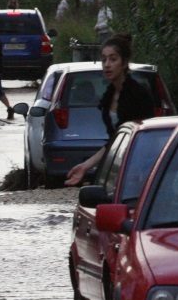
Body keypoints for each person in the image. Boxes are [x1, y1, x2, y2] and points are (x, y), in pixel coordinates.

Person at [64, 34, 155, 186]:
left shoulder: (138, 94)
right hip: (121, 161)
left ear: (124, 63)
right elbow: (115, 140)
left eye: (113, 59)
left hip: (141, 164)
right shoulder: (109, 94)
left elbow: (144, 137)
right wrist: (86, 165)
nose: (107, 64)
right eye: (104, 59)